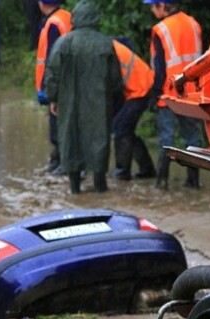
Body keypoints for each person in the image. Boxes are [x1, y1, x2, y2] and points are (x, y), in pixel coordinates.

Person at [44, 0, 123, 194]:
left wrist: (52, 98)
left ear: (75, 19)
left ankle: (74, 188)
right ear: (96, 19)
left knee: (70, 137)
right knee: (99, 138)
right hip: (99, 103)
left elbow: (52, 74)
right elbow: (115, 79)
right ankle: (99, 186)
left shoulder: (63, 43)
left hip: (69, 102)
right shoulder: (106, 43)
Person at [144, 0, 203, 189]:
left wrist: (154, 94)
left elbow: (160, 68)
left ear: (162, 5)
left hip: (169, 93)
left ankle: (162, 183)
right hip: (192, 93)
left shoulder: (161, 29)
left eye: (153, 6)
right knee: (193, 138)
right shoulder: (194, 23)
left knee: (166, 139)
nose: (152, 11)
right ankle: (193, 182)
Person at [110, 37, 157, 181]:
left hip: (141, 89)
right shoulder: (109, 45)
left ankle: (122, 171)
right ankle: (147, 169)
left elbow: (112, 83)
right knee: (125, 129)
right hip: (140, 87)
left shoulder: (107, 50)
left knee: (121, 128)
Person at [35, 0, 71, 175]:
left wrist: (50, 92)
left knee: (58, 125)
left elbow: (52, 61)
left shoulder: (53, 24)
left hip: (59, 84)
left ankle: (65, 164)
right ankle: (57, 161)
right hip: (69, 80)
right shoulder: (65, 16)